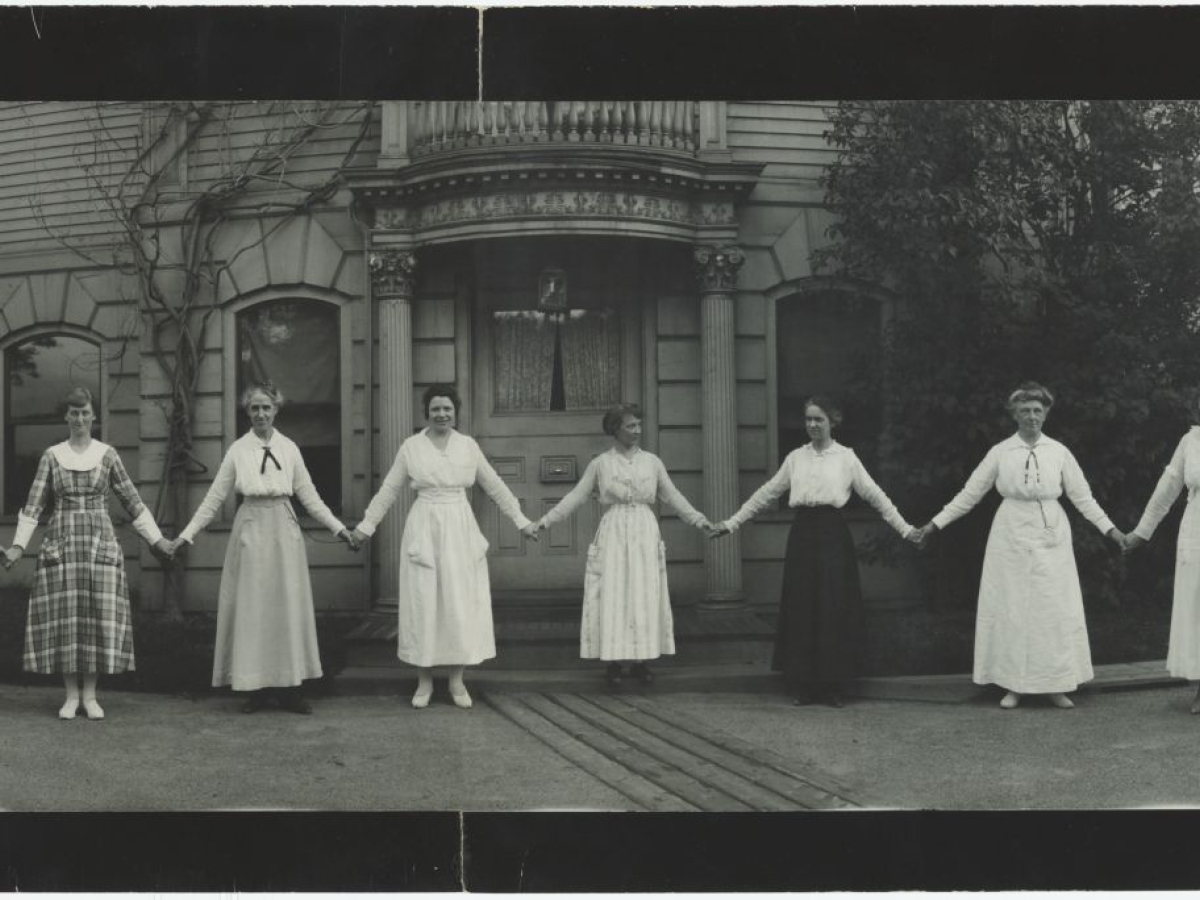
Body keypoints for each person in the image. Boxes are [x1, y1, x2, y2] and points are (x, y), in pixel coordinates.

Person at [912, 382, 1126, 710]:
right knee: (1012, 608)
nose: (1031, 416)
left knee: (1051, 609)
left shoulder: (1059, 452)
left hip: (1051, 532)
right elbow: (970, 494)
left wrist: (1111, 531)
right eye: (1024, 410)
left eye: (1037, 410)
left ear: (1046, 413)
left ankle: (1056, 684)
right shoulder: (1000, 452)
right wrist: (934, 524)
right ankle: (1014, 685)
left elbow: (1083, 498)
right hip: (1010, 533)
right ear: (1014, 414)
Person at [710, 397, 920, 707]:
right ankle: (805, 685)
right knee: (803, 605)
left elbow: (877, 496)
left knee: (833, 605)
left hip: (833, 534)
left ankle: (834, 686)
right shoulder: (796, 458)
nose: (812, 425)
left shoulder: (847, 458)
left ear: (832, 421)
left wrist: (906, 530)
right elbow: (768, 492)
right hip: (803, 534)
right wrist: (732, 523)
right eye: (808, 419)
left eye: (818, 419)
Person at [349, 384, 539, 709]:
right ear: (427, 412)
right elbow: (389, 490)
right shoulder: (411, 447)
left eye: (447, 409)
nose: (441, 414)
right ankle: (423, 681)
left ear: (456, 412)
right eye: (436, 409)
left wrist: (521, 521)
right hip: (424, 526)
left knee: (459, 602)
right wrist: (366, 527)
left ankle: (456, 680)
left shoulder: (467, 446)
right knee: (424, 602)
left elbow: (494, 484)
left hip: (460, 527)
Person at [169, 383, 355, 714]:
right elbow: (214, 498)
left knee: (286, 607)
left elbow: (309, 496)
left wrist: (340, 530)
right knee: (254, 609)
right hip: (251, 526)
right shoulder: (238, 451)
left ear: (276, 410)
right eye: (254, 408)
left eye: (266, 408)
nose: (260, 414)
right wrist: (185, 536)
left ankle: (290, 690)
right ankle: (255, 687)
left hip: (283, 527)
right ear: (247, 412)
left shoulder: (290, 448)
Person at [1, 387, 172, 720]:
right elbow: (34, 505)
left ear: (94, 417)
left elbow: (132, 502)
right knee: (65, 617)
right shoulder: (52, 456)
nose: (79, 419)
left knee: (97, 615)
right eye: (73, 413)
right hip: (61, 543)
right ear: (66, 416)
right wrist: (18, 547)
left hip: (99, 542)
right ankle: (70, 695)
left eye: (85, 413)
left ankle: (91, 695)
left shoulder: (107, 455)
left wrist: (157, 541)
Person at [534, 404, 711, 687]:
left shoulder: (652, 462)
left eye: (639, 425)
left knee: (643, 591)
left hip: (643, 529)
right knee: (614, 591)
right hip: (614, 531)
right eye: (631, 426)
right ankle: (614, 662)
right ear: (615, 429)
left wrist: (700, 521)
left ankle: (642, 660)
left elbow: (673, 495)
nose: (637, 430)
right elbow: (576, 496)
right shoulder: (601, 464)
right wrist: (544, 522)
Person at [1124, 407, 1200, 712]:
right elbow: (1167, 489)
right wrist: (1140, 533)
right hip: (1197, 531)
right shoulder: (1192, 440)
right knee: (1197, 609)